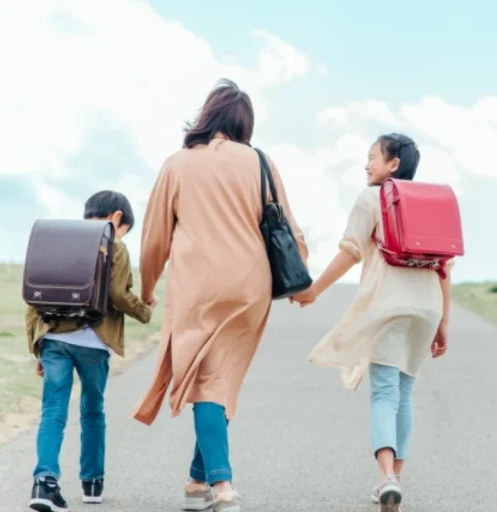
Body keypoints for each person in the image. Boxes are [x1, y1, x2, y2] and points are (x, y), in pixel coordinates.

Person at [131, 78, 308, 512]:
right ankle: (197, 480)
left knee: (207, 381)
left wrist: (149, 287)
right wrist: (302, 279)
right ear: (244, 123)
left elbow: (154, 238)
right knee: (220, 376)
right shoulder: (259, 161)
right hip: (251, 287)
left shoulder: (177, 164)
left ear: (207, 116)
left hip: (198, 289)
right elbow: (288, 225)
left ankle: (222, 486)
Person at [292, 133, 452, 512]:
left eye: (372, 157)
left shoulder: (372, 198)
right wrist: (444, 321)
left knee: (384, 392)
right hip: (427, 306)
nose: (367, 165)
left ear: (393, 165)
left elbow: (350, 253)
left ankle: (385, 479)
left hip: (388, 303)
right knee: (405, 393)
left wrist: (314, 290)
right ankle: (394, 476)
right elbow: (446, 268)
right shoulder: (431, 205)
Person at [27, 191, 153, 512]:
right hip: (94, 343)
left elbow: (33, 296)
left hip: (53, 338)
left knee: (52, 410)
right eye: (124, 229)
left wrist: (36, 347)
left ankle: (44, 483)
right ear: (117, 218)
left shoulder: (54, 240)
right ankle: (93, 483)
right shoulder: (115, 245)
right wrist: (145, 310)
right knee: (93, 410)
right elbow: (117, 294)